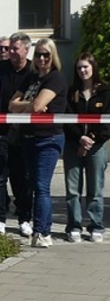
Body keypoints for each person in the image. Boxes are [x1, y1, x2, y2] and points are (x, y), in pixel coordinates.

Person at [9, 38, 68, 248]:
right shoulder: (31, 78)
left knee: (42, 186)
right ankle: (43, 228)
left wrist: (31, 106)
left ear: (53, 57)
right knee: (33, 185)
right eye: (38, 54)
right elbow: (12, 105)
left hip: (48, 138)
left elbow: (37, 106)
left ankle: (42, 232)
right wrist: (31, 105)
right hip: (28, 137)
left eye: (46, 54)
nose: (42, 58)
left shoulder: (56, 78)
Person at [0, 32, 35, 236]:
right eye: (9, 48)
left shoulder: (32, 72)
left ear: (26, 50)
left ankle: (24, 219)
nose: (10, 52)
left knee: (22, 180)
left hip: (23, 135)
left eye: (14, 48)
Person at [63, 53, 110, 243]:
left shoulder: (105, 92)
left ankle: (96, 225)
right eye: (79, 67)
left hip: (97, 147)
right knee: (73, 189)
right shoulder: (71, 92)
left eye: (86, 67)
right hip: (73, 145)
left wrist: (89, 140)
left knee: (95, 188)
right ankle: (73, 226)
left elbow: (106, 125)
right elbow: (66, 121)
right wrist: (79, 138)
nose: (83, 70)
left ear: (93, 68)